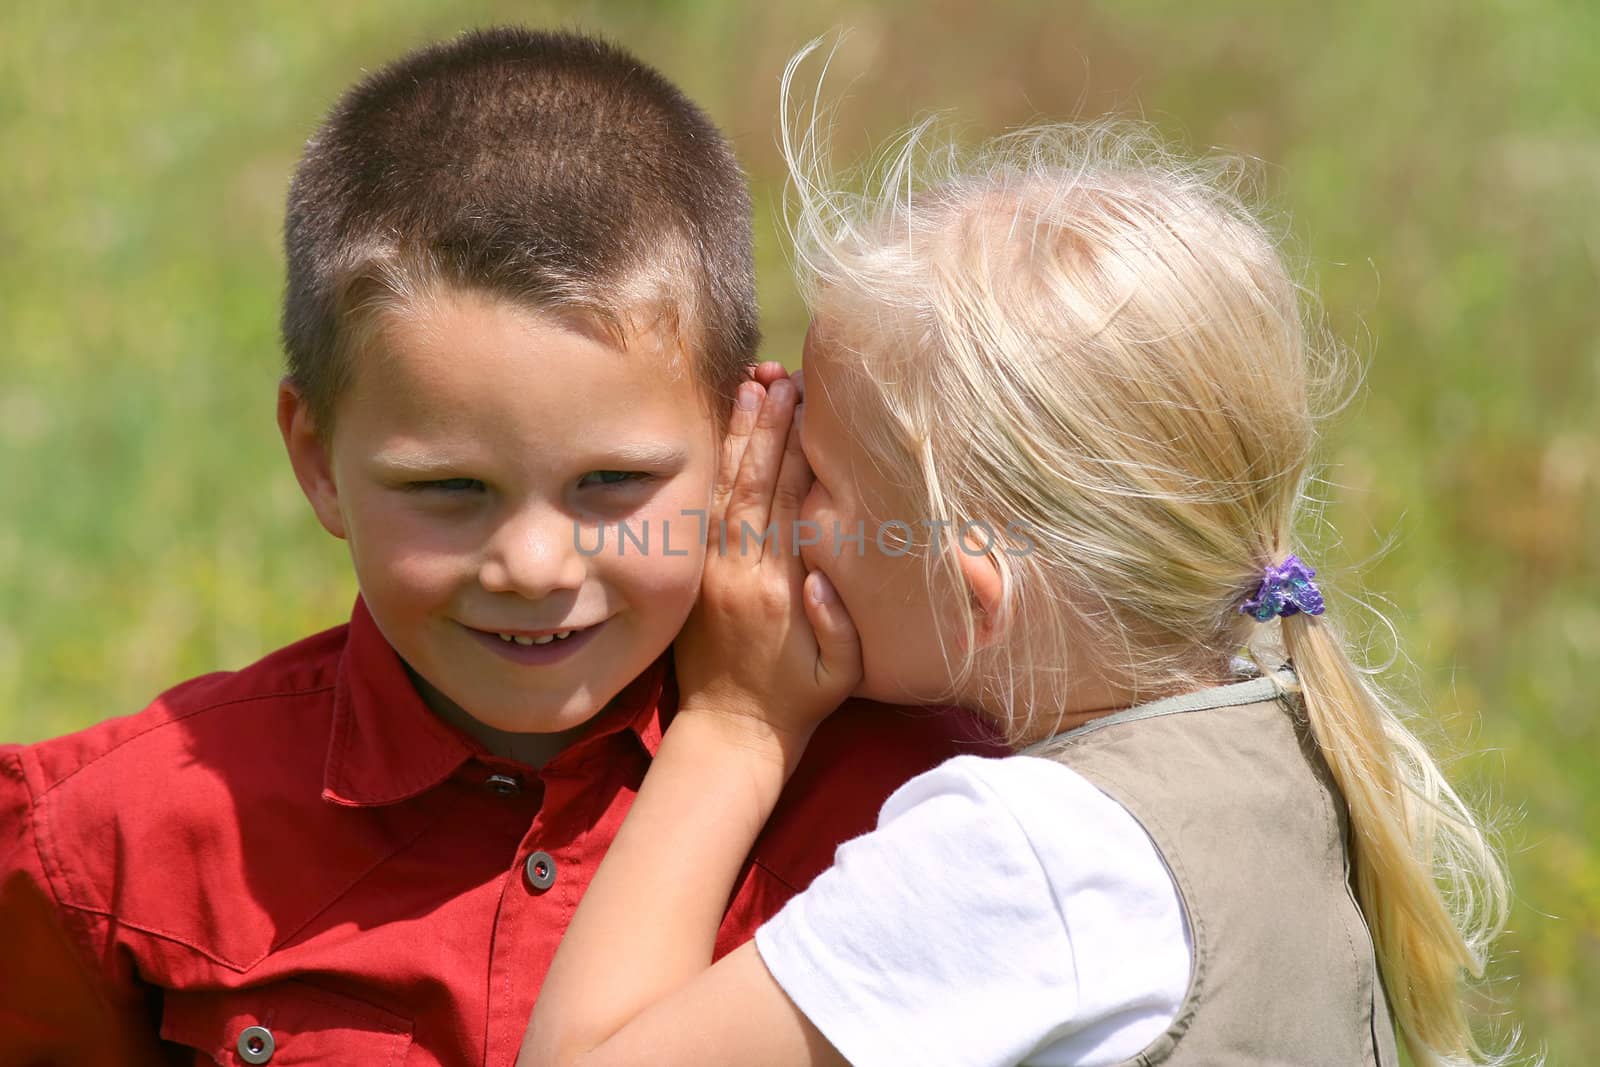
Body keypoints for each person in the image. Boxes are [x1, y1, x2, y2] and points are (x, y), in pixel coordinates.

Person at [0, 29, 994, 1065]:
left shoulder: (932, 804)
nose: (534, 565)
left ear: (744, 435)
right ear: (318, 458)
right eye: (448, 488)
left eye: (612, 482)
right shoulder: (107, 840)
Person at [519, 67, 1512, 1067]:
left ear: (967, 591)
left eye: (809, 472)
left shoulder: (1024, 857)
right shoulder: (1287, 738)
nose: (764, 498)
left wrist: (732, 726)